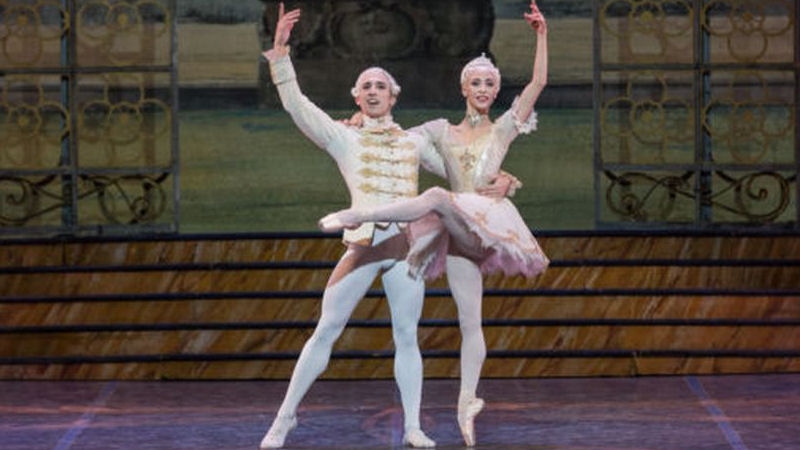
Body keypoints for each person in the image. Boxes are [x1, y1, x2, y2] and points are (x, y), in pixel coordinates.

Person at [258, 4, 516, 449]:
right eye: (367, 87)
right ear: (357, 98)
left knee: (407, 337)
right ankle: (284, 419)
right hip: (363, 245)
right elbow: (298, 107)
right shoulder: (344, 137)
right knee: (326, 330)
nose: (374, 91)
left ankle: (413, 426)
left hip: (406, 250)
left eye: (381, 86)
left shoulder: (413, 141)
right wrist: (281, 55)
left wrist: (505, 180)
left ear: (393, 97)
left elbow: (463, 175)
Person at [319, 1, 551, 446]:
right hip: (456, 231)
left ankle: (361, 217)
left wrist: (541, 35)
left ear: (496, 91)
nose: (483, 89)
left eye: (490, 83)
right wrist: (360, 121)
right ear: (464, 88)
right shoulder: (441, 131)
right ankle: (467, 403)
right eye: (476, 82)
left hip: (484, 223)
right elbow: (396, 136)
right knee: (469, 321)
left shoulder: (503, 129)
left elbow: (537, 84)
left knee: (437, 198)